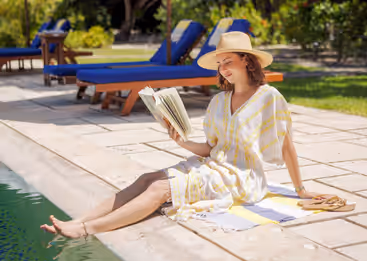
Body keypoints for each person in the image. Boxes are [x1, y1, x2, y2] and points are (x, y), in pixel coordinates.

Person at [40, 31, 324, 239]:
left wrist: (301, 190)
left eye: (229, 62)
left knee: (160, 190)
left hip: (241, 178)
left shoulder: (268, 98)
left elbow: (286, 146)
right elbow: (212, 150)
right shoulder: (219, 102)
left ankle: (87, 230)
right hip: (214, 167)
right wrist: (182, 142)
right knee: (146, 179)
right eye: (219, 64)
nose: (223, 69)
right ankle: (79, 220)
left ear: (247, 62)